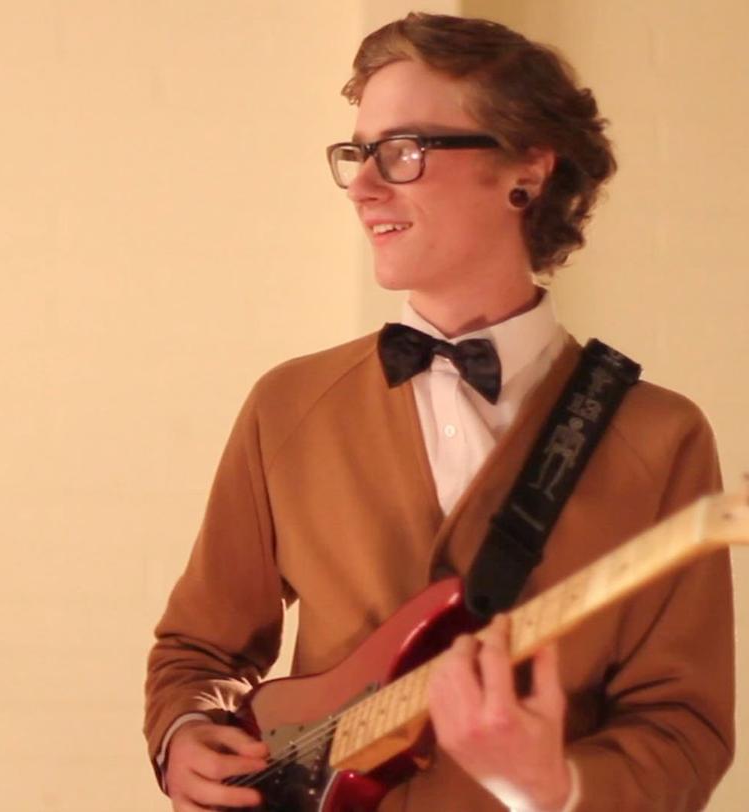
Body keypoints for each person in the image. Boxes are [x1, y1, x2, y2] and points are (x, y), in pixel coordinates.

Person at [144, 13, 733, 812]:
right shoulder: (287, 404)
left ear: (526, 170)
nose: (362, 184)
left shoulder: (661, 438)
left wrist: (554, 788)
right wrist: (184, 733)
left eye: (404, 152)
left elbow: (683, 727)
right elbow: (198, 648)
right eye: (358, 153)